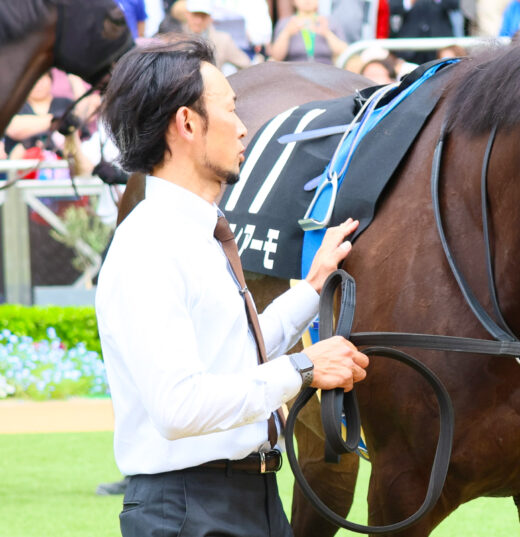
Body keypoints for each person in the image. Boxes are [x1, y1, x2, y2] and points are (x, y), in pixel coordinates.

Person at [95, 36, 370, 536]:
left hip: (247, 499)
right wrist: (305, 367)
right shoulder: (150, 245)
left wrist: (311, 290)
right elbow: (180, 408)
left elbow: (231, 354)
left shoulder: (192, 233)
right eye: (230, 110)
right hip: (190, 509)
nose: (244, 128)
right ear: (187, 124)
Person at [268, 0, 347, 64]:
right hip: (294, 74)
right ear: (293, 1)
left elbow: (345, 52)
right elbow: (276, 57)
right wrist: (286, 33)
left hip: (325, 72)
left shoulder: (329, 22)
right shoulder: (285, 23)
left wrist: (327, 34)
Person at [184, 0, 252, 73]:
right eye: (195, 15)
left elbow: (246, 65)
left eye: (203, 16)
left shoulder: (223, 40)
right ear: (187, 14)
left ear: (210, 18)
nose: (198, 21)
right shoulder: (176, 40)